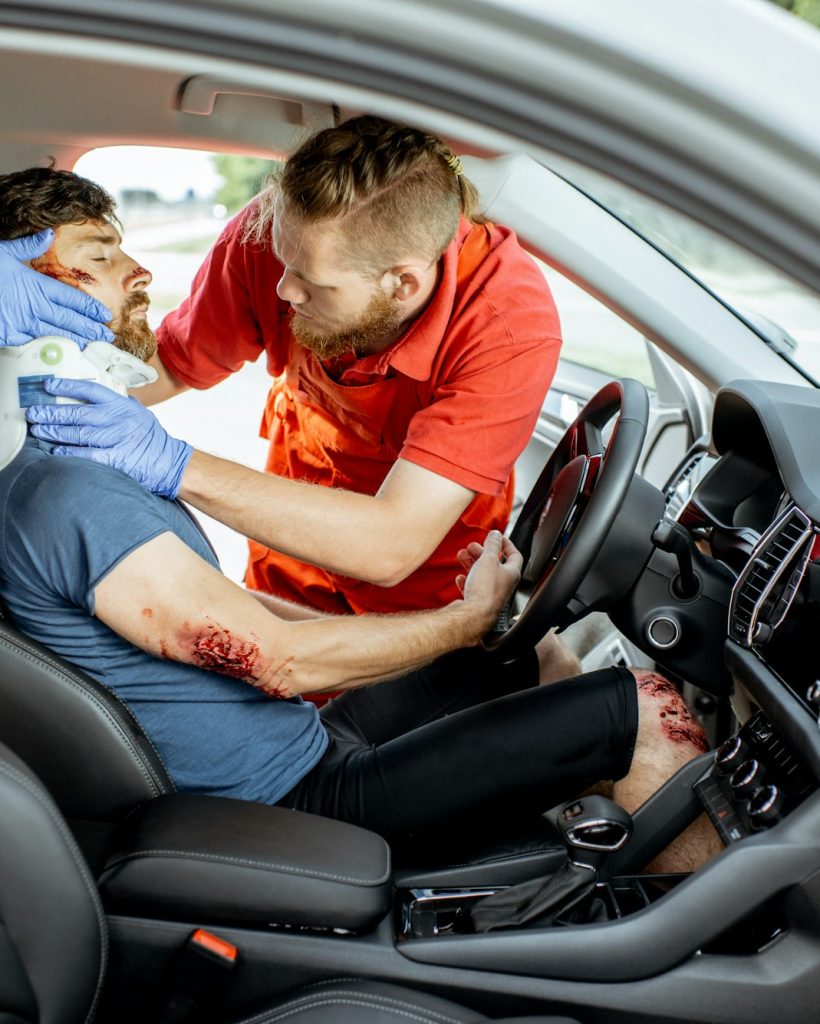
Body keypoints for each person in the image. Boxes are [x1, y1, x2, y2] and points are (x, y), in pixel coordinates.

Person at [0, 167, 717, 869]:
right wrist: (459, 622)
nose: (138, 271)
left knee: (518, 656)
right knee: (645, 706)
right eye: (100, 255)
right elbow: (276, 661)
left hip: (299, 737)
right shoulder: (69, 494)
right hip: (292, 796)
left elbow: (237, 616)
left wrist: (456, 632)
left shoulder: (76, 469)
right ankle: (714, 956)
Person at [2, 116, 563, 622]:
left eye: (311, 284)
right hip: (288, 530)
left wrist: (170, 463)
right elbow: (166, 366)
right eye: (281, 256)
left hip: (425, 571)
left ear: (403, 284)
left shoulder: (507, 326)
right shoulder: (283, 235)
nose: (281, 287)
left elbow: (391, 544)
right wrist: (22, 394)